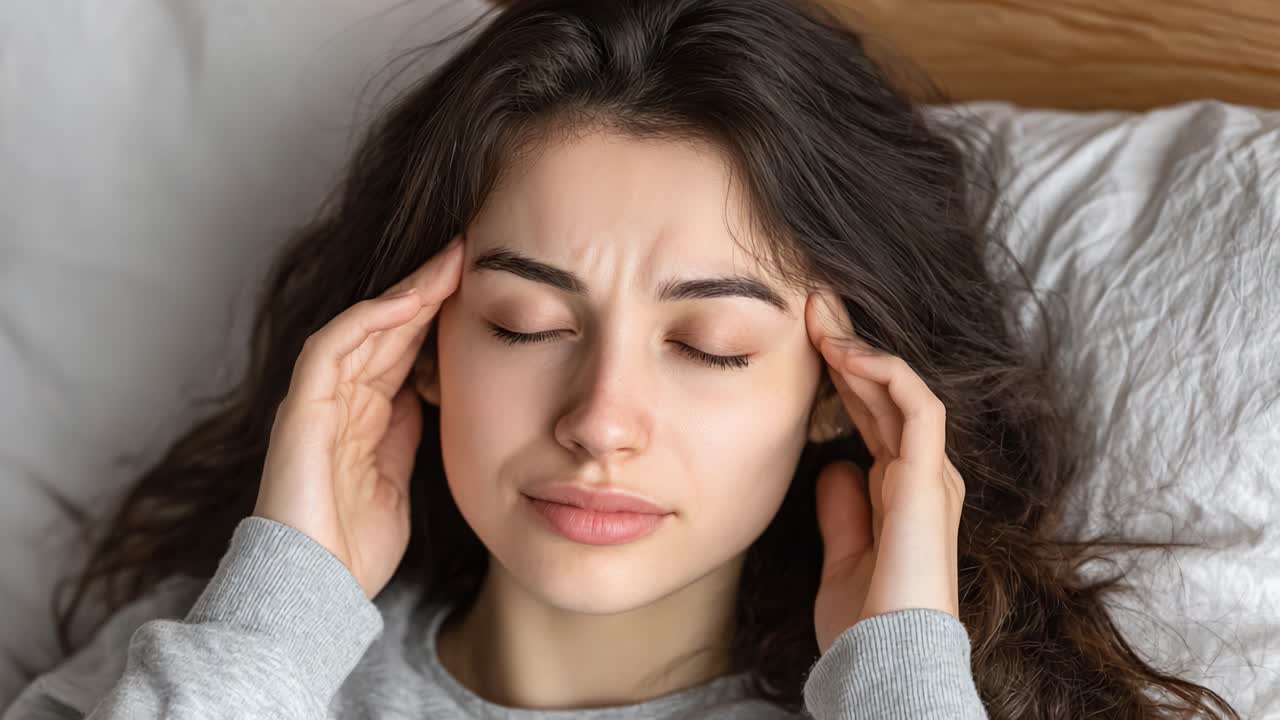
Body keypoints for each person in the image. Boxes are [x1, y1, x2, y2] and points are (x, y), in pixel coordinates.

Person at [3, 0, 1240, 718]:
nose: (602, 418)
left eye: (709, 345)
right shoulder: (218, 664)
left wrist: (903, 678)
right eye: (525, 326)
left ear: (838, 398)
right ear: (413, 348)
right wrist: (269, 632)